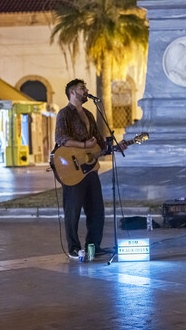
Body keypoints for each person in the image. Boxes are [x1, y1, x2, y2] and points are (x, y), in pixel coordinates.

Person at [55, 79, 127, 260]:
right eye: (82, 88)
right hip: (72, 169)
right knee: (73, 210)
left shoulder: (88, 113)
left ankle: (93, 246)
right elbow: (60, 138)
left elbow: (99, 142)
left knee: (96, 209)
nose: (86, 91)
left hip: (90, 169)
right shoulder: (64, 114)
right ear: (72, 92)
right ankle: (73, 248)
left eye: (85, 88)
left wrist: (115, 147)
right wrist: (83, 144)